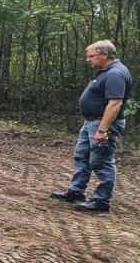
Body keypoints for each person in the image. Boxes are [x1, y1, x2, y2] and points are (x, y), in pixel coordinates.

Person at [51, 40, 132, 213]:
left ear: (104, 55)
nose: (88, 59)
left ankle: (101, 201)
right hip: (91, 122)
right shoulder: (105, 72)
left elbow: (115, 104)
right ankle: (76, 191)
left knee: (101, 161)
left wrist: (103, 129)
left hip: (102, 123)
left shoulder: (115, 74)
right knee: (81, 156)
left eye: (91, 56)